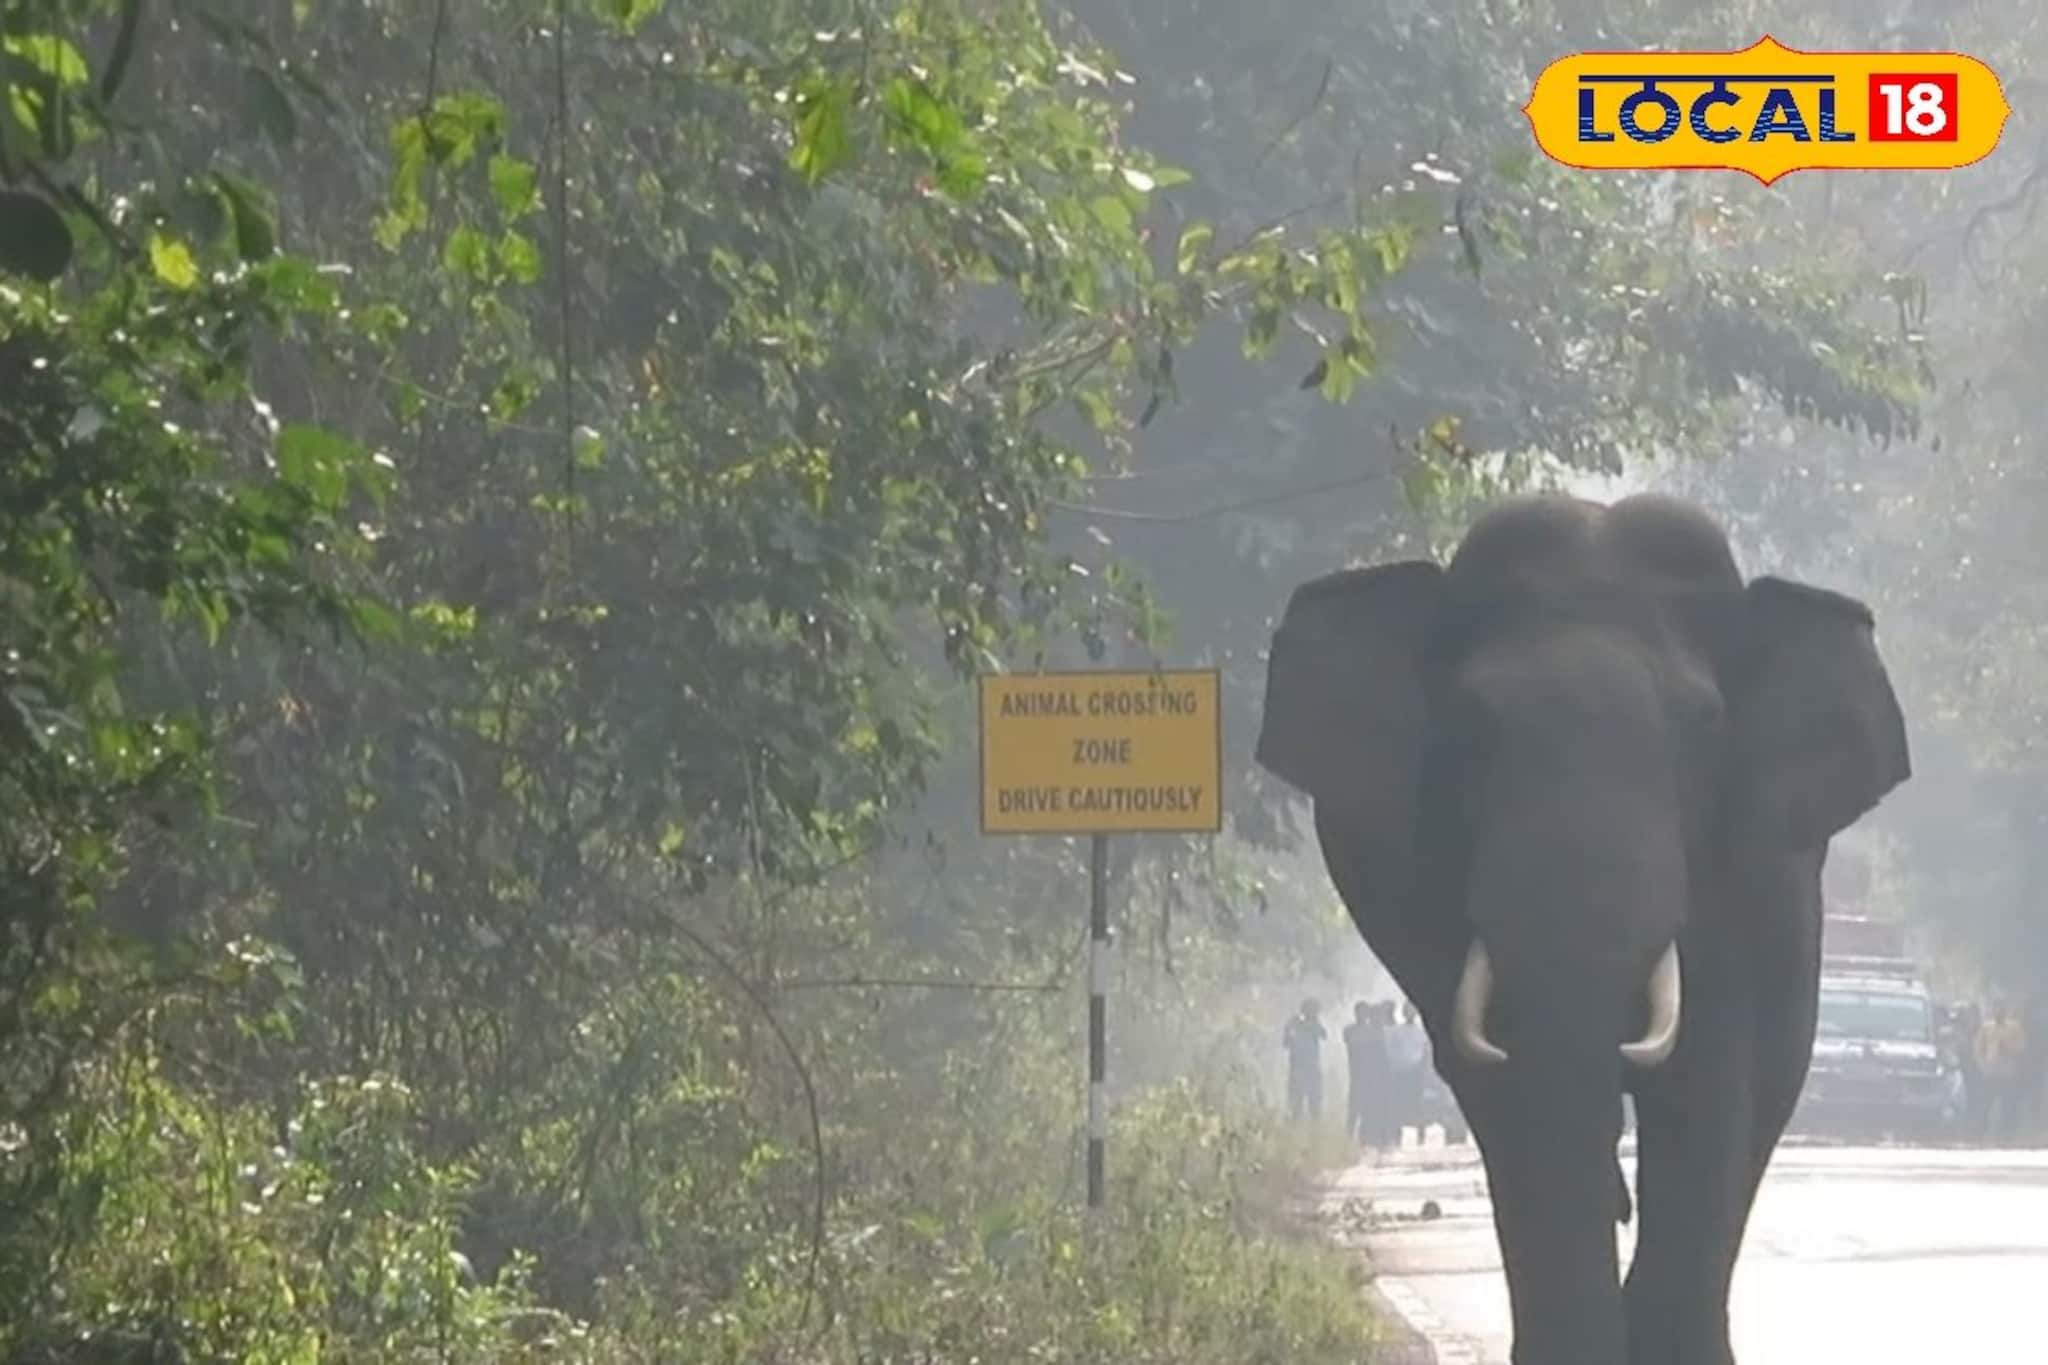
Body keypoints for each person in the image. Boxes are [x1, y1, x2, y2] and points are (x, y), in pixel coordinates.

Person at [1975, 1003, 2025, 1143]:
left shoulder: (2014, 1028)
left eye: (2001, 1009)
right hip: (1991, 1072)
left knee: (2008, 1105)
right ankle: (1980, 1131)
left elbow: (2021, 1048)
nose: (1999, 1012)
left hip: (2008, 1073)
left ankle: (2008, 1133)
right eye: (1996, 1009)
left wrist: (2008, 1048)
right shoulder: (1987, 1028)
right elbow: (1978, 1049)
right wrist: (1983, 1065)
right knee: (1986, 1104)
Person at [1343, 1001, 1387, 1144]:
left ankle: (1366, 1138)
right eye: (1360, 1012)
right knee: (1354, 1109)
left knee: (1368, 1109)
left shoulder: (1373, 1032)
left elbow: (1379, 1053)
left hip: (1369, 1076)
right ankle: (1348, 1137)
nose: (1362, 1016)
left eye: (1364, 1013)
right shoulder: (1351, 1030)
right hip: (1357, 1075)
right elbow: (1353, 1044)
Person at [1386, 1001, 1430, 1145]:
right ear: (1404, 1013)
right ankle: (1396, 1136)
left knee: (1418, 1104)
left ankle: (1421, 1135)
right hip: (1400, 1072)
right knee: (1398, 1104)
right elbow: (1390, 1052)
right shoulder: (1396, 1031)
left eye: (1412, 1012)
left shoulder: (1421, 1032)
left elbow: (1425, 1053)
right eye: (1407, 1011)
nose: (1410, 1014)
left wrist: (1423, 1070)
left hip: (1416, 1072)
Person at [1283, 999, 1327, 1122]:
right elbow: (1286, 1043)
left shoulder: (1315, 1024)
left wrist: (1313, 1024)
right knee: (1296, 1108)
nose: (1314, 1014)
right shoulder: (1294, 1023)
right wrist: (1294, 1030)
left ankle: (1315, 1135)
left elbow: (1324, 1035)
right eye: (1312, 1011)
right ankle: (1295, 1135)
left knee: (1315, 1108)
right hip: (1298, 1070)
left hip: (1312, 1070)